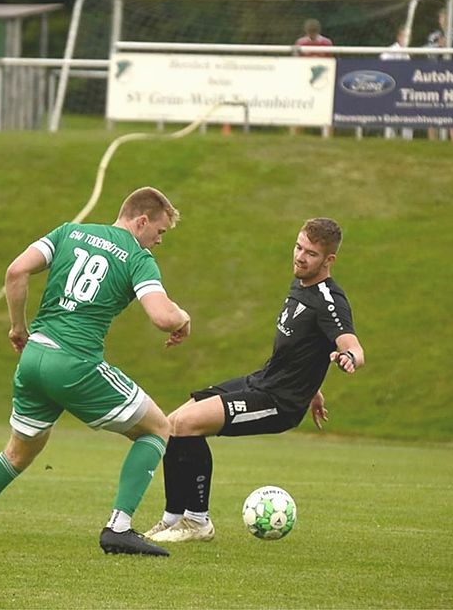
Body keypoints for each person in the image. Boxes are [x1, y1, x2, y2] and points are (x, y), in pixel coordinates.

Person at [0, 187, 192, 557]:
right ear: (141, 221)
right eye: (160, 231)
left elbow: (16, 270)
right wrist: (184, 317)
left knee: (17, 454)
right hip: (75, 363)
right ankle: (119, 528)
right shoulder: (137, 256)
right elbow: (163, 317)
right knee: (158, 428)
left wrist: (18, 328)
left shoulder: (69, 231)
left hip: (34, 357)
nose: (159, 241)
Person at [145, 218, 364, 543]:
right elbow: (304, 350)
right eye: (299, 247)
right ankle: (172, 518)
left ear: (328, 260)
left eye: (311, 254)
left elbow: (352, 345)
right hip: (261, 381)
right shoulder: (300, 284)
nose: (300, 257)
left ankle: (198, 522)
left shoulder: (329, 300)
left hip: (279, 403)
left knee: (189, 423)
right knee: (171, 423)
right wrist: (314, 390)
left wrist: (348, 358)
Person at [425, 9, 453, 143]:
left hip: (451, 76)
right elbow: (430, 51)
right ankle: (432, 142)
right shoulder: (433, 35)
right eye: (441, 17)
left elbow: (451, 45)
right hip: (435, 76)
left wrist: (442, 45)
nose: (443, 20)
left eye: (446, 17)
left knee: (452, 111)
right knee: (432, 110)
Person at [293, 19, 333, 137]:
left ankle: (327, 134)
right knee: (299, 107)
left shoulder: (326, 43)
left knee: (326, 108)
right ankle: (296, 134)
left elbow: (330, 60)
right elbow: (295, 61)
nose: (312, 34)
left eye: (314, 32)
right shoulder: (300, 43)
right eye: (310, 32)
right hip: (304, 80)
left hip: (322, 82)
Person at [380, 27, 413, 140]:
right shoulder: (391, 50)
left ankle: (407, 139)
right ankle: (390, 137)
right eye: (404, 36)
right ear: (399, 37)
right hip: (391, 88)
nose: (406, 39)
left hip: (404, 88)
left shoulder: (408, 54)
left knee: (407, 113)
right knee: (391, 114)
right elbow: (383, 62)